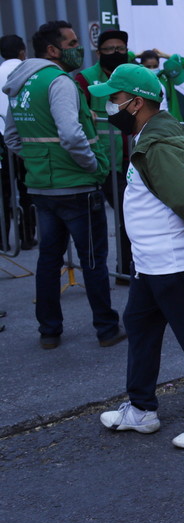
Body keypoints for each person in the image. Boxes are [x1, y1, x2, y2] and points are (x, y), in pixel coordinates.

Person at [91, 64, 184, 449]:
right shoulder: (149, 138)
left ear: (135, 103)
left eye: (115, 99)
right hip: (150, 263)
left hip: (172, 263)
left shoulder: (157, 147)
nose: (110, 106)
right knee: (139, 326)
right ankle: (141, 409)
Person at [2, 20, 124, 349]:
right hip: (77, 188)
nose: (77, 48)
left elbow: (12, 137)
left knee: (48, 260)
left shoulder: (22, 83)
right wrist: (94, 165)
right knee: (93, 260)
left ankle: (49, 331)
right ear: (53, 50)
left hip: (41, 186)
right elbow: (72, 134)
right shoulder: (59, 83)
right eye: (71, 43)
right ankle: (107, 328)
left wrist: (40, 160)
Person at [74, 29, 135, 280]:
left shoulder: (133, 73)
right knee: (112, 217)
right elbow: (77, 113)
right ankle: (114, 270)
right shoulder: (85, 79)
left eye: (120, 48)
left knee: (130, 216)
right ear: (99, 52)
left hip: (132, 158)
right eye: (109, 49)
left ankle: (127, 269)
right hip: (102, 161)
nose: (115, 53)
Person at [1, 33, 36, 251]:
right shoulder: (25, 71)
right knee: (27, 189)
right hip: (22, 136)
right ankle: (27, 236)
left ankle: (3, 240)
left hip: (0, 138)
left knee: (3, 191)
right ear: (22, 51)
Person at [137, 48, 184, 123]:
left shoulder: (166, 76)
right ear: (142, 66)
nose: (152, 69)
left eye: (155, 66)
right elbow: (123, 62)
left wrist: (164, 55)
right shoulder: (137, 78)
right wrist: (137, 55)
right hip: (147, 121)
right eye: (148, 67)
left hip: (169, 120)